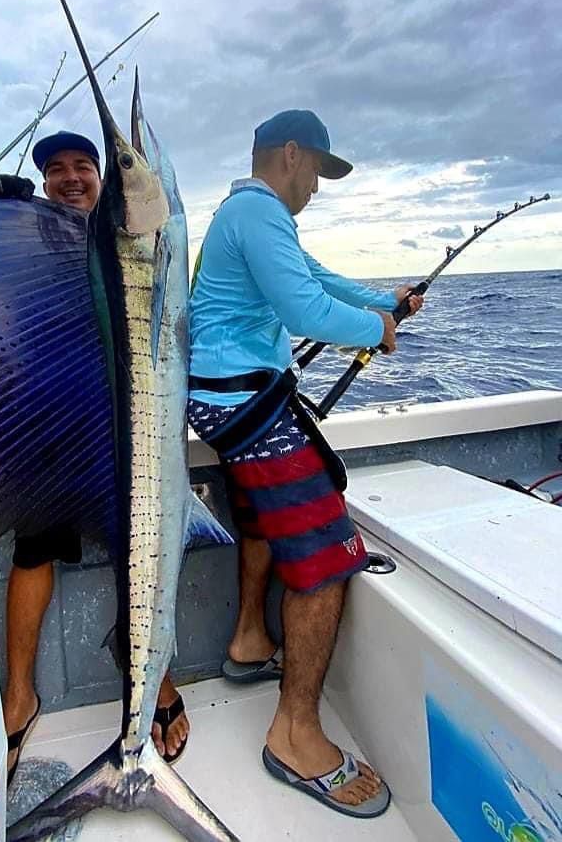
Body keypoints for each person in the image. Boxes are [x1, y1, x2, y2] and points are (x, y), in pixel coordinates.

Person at [188, 109, 424, 818]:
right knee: (324, 559)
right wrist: (374, 330)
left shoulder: (249, 216)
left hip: (228, 397)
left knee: (262, 521)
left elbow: (314, 275)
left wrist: (385, 300)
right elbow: (302, 306)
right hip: (244, 401)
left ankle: (249, 638)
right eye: (317, 171)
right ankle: (294, 733)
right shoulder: (257, 212)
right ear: (290, 154)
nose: (317, 188)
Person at [0, 132, 191, 783]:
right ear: (43, 181)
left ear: (103, 179)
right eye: (55, 170)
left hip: (128, 420)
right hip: (52, 424)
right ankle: (18, 695)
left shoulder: (124, 232)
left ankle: (155, 684)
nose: (70, 177)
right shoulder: (25, 229)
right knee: (33, 552)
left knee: (140, 547)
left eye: (84, 165)